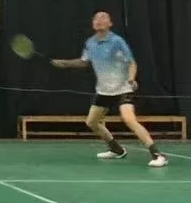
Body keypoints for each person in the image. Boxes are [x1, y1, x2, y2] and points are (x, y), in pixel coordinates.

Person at [51, 11, 168, 167]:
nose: (99, 20)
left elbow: (131, 62)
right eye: (96, 18)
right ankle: (117, 150)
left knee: (129, 119)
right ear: (93, 23)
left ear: (110, 24)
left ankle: (158, 155)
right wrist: (65, 63)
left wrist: (131, 78)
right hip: (104, 90)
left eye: (103, 18)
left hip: (123, 88)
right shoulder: (90, 43)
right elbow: (84, 61)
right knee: (92, 122)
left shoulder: (117, 41)